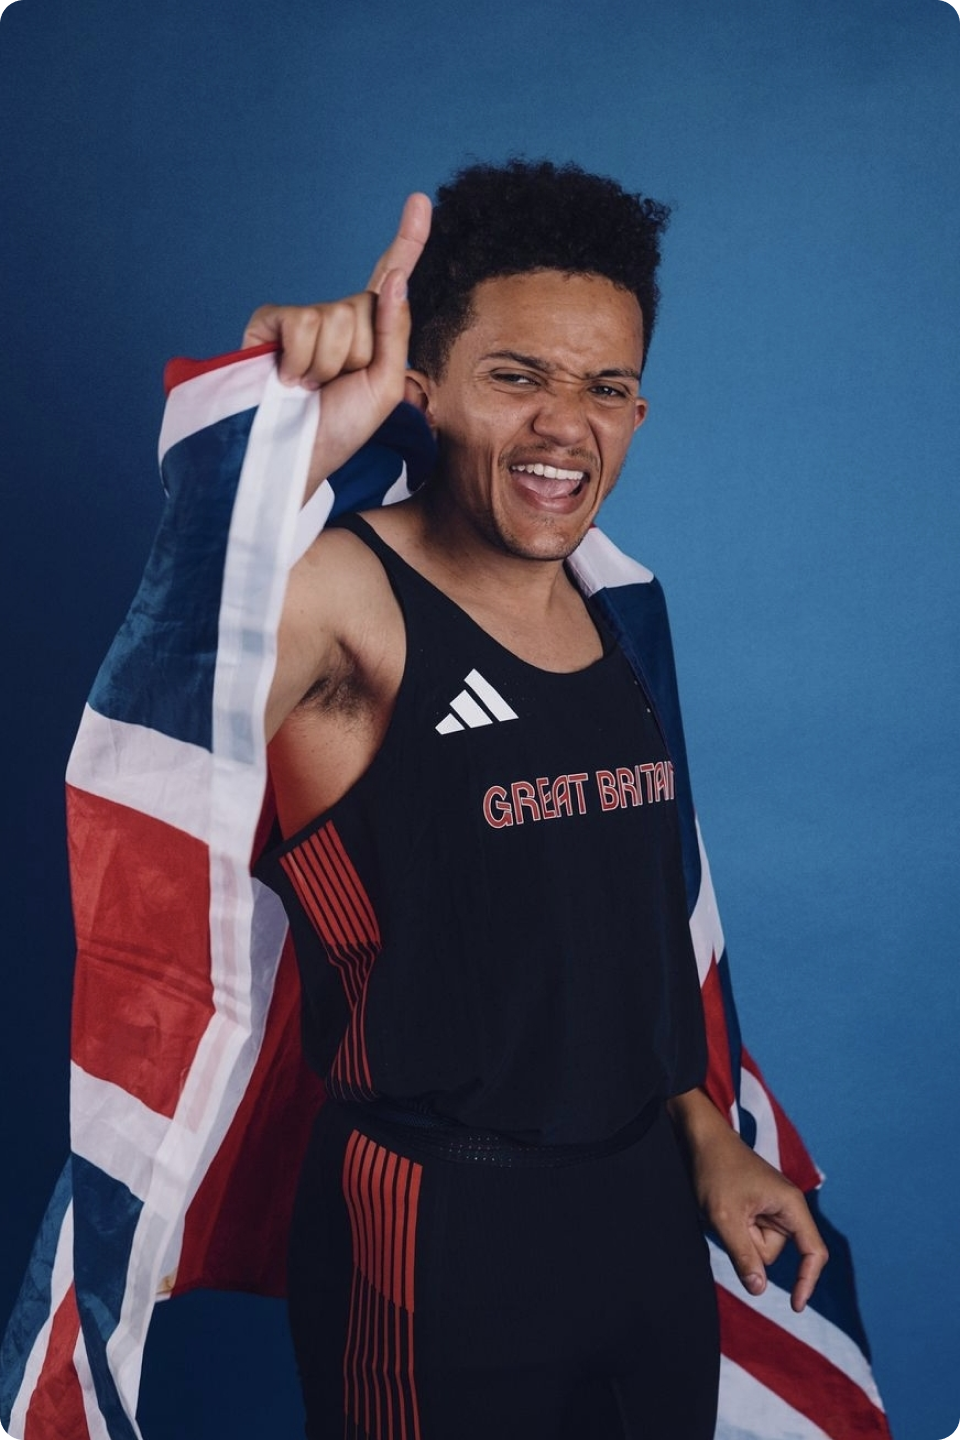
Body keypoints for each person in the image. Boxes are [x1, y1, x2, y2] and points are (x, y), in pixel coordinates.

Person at [239, 160, 828, 1439]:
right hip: (438, 1217)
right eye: (518, 376)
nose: (570, 422)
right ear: (428, 388)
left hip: (642, 1216)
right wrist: (283, 453)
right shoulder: (342, 598)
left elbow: (618, 924)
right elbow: (161, 710)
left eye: (606, 386)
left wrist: (704, 1133)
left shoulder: (616, 614)